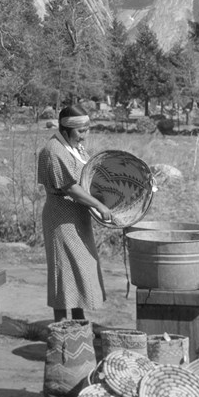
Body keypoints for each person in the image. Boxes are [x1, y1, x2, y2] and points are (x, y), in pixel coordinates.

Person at [37, 104, 112, 322]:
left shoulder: (75, 147)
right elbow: (70, 187)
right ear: (66, 128)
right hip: (61, 217)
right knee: (64, 269)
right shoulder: (54, 151)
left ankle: (78, 321)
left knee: (81, 268)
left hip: (78, 216)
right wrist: (99, 205)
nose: (85, 136)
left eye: (87, 130)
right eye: (81, 131)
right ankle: (61, 325)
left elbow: (86, 177)